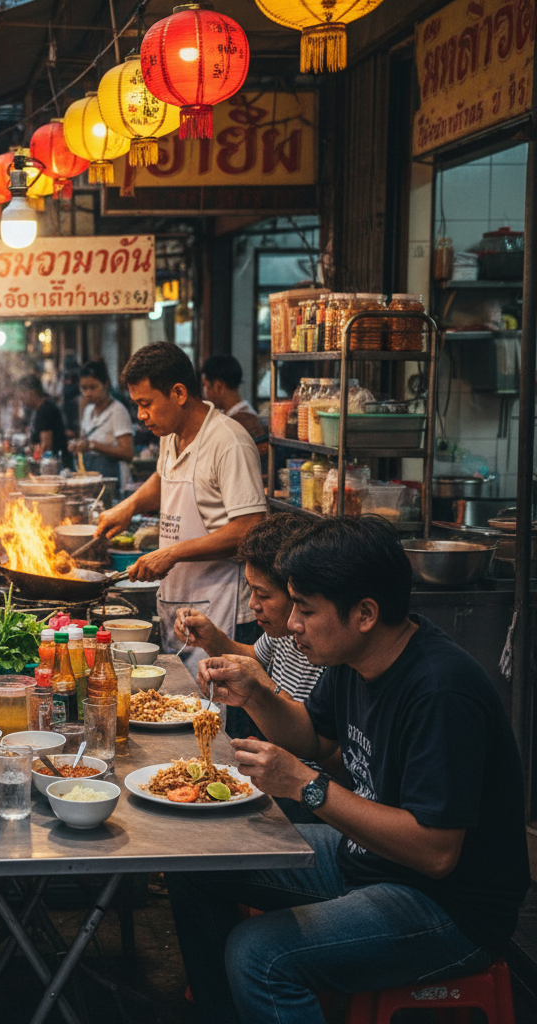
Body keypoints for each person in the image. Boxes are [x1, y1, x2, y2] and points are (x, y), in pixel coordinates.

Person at [169, 516, 530, 1024]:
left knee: (259, 954)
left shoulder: (440, 691)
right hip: (370, 860)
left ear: (365, 613)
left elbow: (435, 853)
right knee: (197, 859)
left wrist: (306, 785)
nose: (294, 623)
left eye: (306, 609)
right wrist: (255, 695)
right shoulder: (352, 661)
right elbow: (313, 737)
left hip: (448, 908)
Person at [96, 343, 266, 659]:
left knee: (218, 691)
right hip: (179, 603)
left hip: (223, 609)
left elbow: (250, 529)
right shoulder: (170, 434)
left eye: (146, 403)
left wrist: (172, 553)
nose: (140, 415)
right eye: (136, 405)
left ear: (178, 393)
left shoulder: (229, 443)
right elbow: (165, 478)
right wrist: (129, 506)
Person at [174, 512, 327, 819]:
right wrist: (212, 639)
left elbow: (317, 743)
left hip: (307, 798)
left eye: (263, 594)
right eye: (250, 590)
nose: (252, 604)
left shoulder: (325, 647)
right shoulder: (279, 632)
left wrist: (263, 688)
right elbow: (255, 659)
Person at [67, 361, 134, 486]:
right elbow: (84, 439)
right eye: (84, 388)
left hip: (113, 480)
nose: (88, 393)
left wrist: (93, 445)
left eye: (93, 387)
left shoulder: (117, 411)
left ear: (106, 384)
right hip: (92, 478)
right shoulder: (88, 410)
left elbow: (127, 452)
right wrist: (77, 445)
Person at [200, 355, 267, 456]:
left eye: (205, 385)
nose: (204, 392)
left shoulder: (244, 421)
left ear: (218, 387)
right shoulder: (230, 416)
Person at [18, 374, 69, 466]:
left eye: (22, 395)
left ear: (32, 392)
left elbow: (46, 447)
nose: (21, 400)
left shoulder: (46, 410)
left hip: (54, 466)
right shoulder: (36, 410)